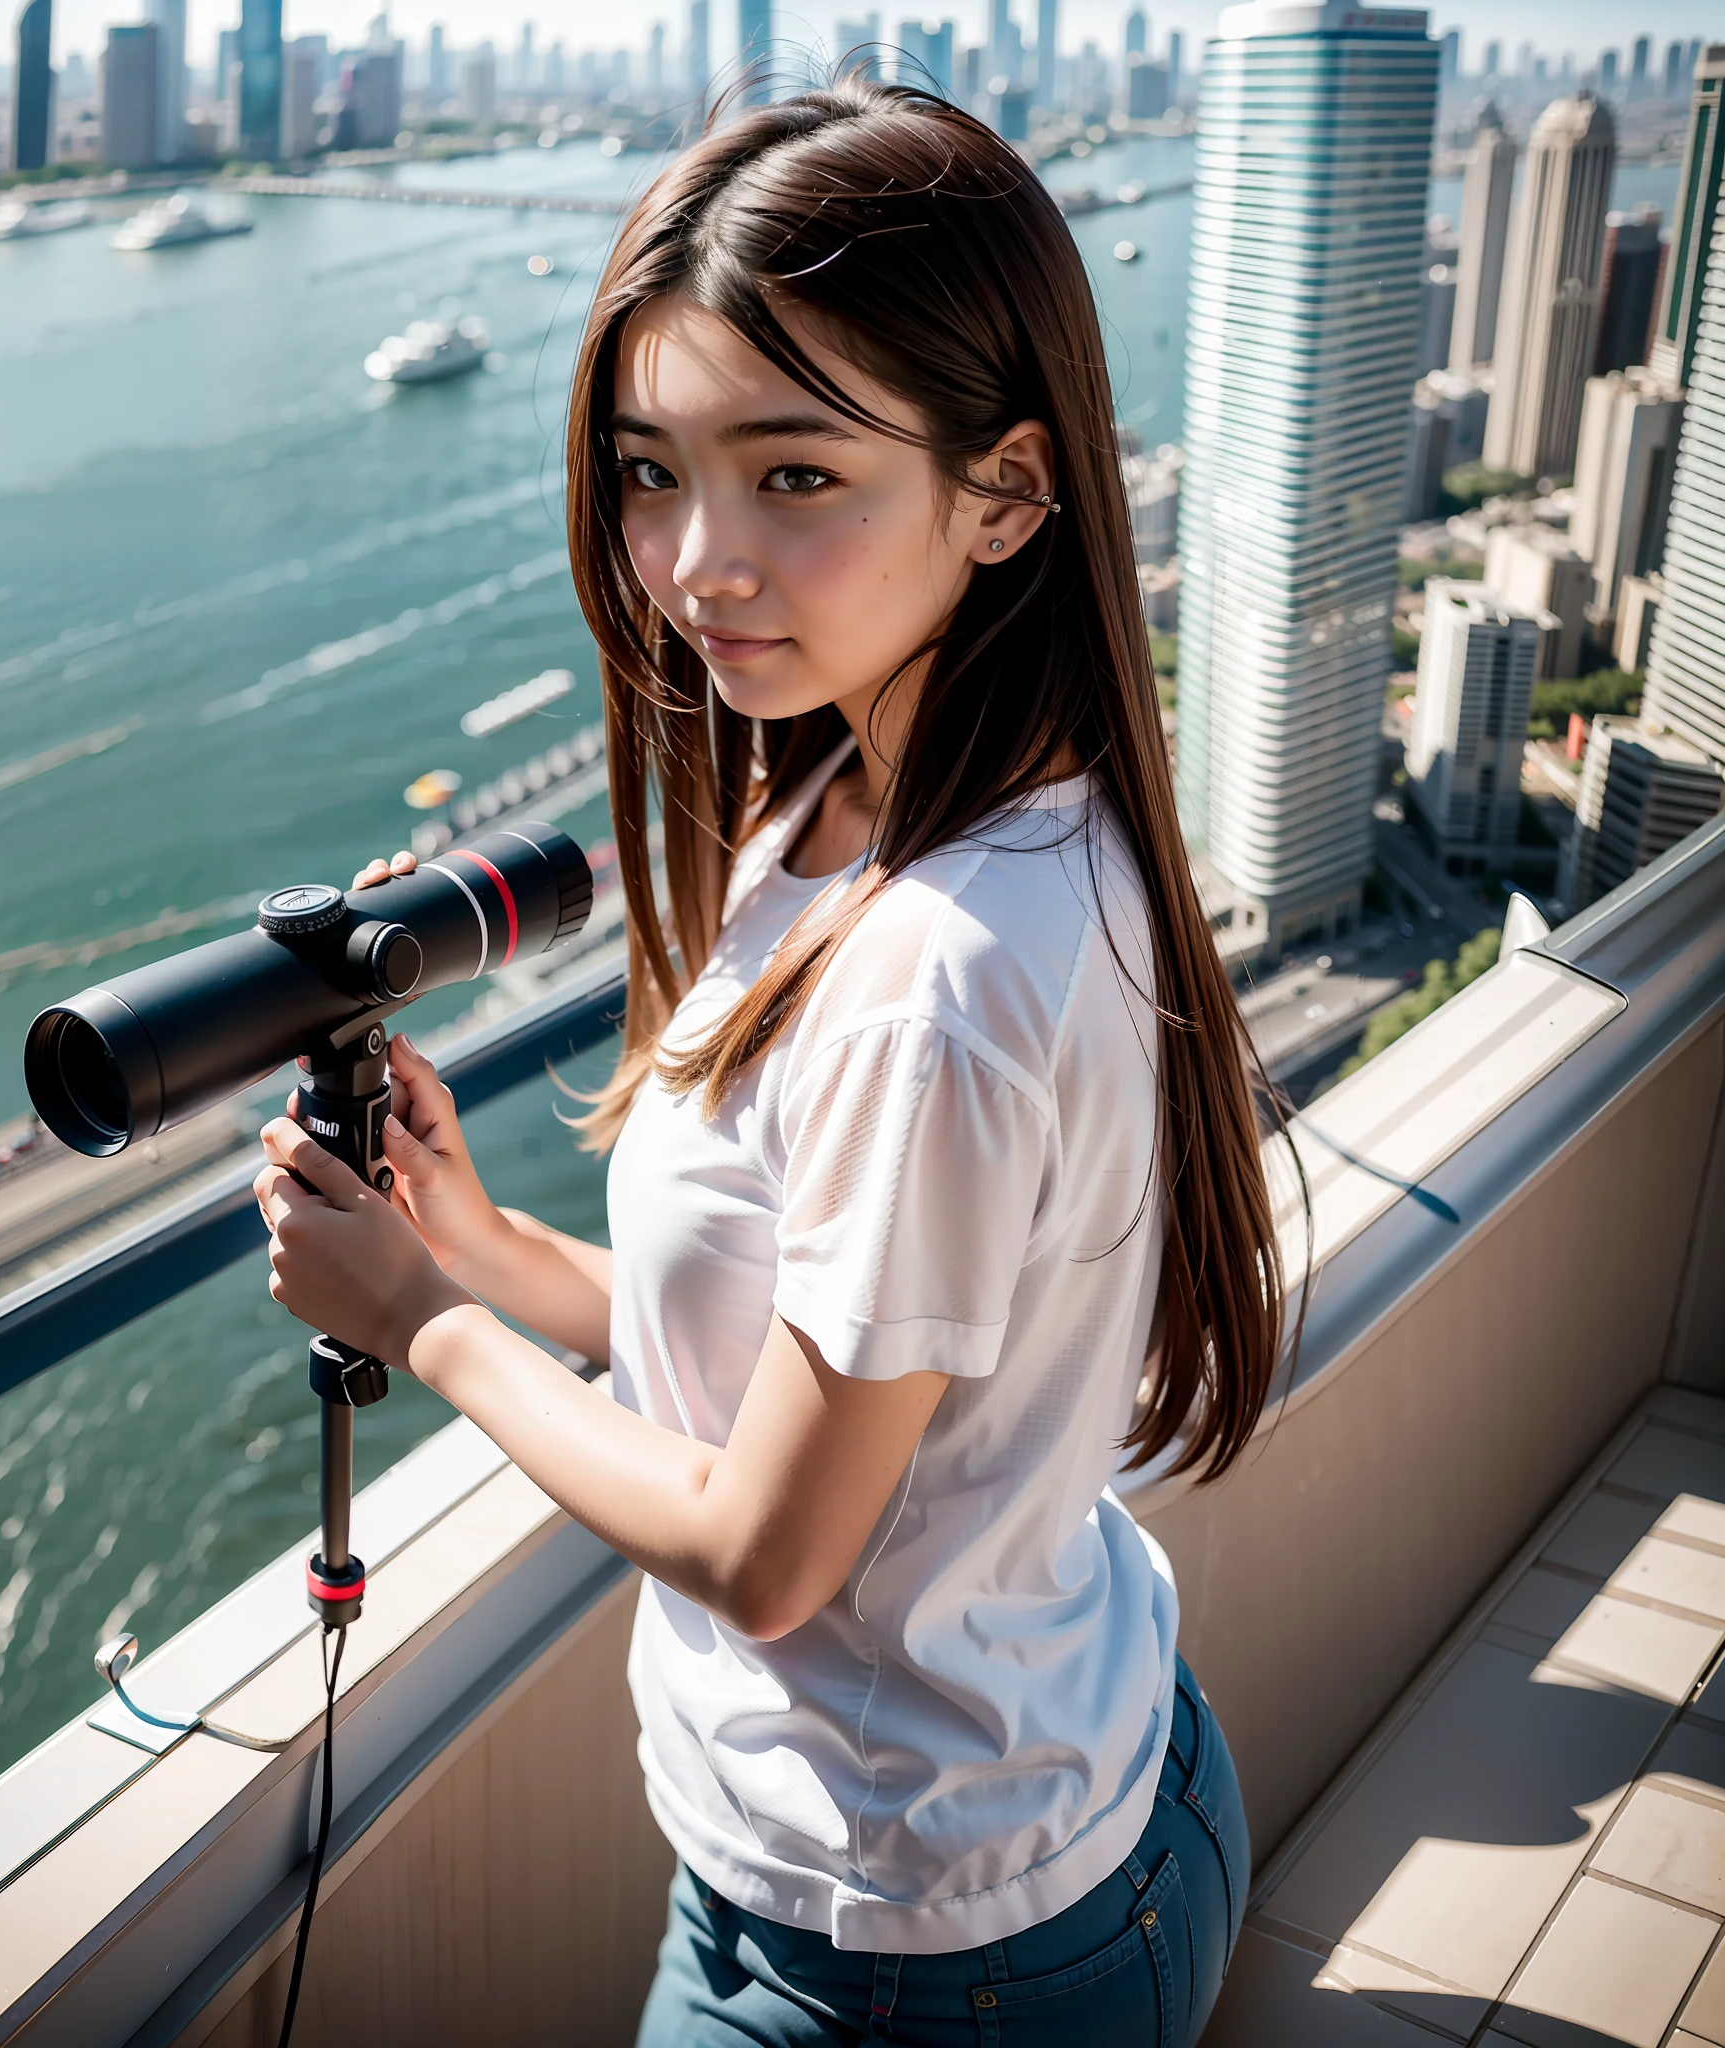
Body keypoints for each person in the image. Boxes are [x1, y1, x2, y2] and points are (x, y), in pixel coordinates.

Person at [256, 78, 1289, 2047]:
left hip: (921, 1951)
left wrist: (423, 1329)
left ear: (1005, 490)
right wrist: (469, 1242)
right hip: (1061, 1789)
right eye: (653, 469)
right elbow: (790, 1378)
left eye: (793, 476)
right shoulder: (842, 797)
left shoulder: (936, 976)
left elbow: (767, 1545)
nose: (694, 561)